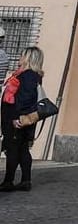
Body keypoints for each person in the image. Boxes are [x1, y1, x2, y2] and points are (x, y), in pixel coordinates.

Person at [0, 46, 45, 192]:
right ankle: (25, 180)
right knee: (23, 149)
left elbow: (24, 99)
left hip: (18, 119)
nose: (19, 58)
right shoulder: (33, 76)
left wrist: (15, 117)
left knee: (13, 149)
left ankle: (9, 181)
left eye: (22, 55)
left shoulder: (28, 76)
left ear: (28, 58)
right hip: (25, 118)